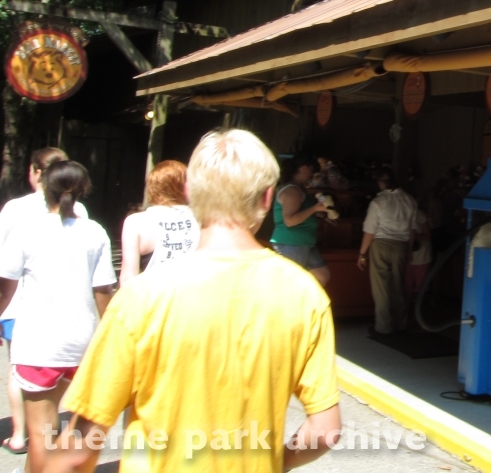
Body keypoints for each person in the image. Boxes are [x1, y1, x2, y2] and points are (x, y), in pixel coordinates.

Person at [48, 129, 342, 473]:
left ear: (189, 192)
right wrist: (277, 462)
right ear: (267, 198)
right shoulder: (304, 293)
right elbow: (324, 431)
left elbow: (78, 451)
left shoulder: (142, 296)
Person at [0, 161, 115, 473]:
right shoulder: (95, 232)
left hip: (38, 345)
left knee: (41, 436)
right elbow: (103, 291)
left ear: (45, 189)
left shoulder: (27, 231)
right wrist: (111, 337)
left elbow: (4, 290)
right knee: (67, 436)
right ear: (82, 191)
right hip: (81, 344)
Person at [0, 147, 87, 456]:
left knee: (18, 370)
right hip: (68, 309)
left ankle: (20, 435)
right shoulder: (82, 214)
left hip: (19, 303)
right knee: (58, 379)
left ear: (37, 173)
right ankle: (45, 432)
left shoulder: (15, 208)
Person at [357, 171, 427, 335]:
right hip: (401, 245)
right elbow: (412, 229)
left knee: (381, 287)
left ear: (381, 183)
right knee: (398, 285)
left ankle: (383, 326)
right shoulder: (409, 200)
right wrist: (409, 250)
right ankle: (400, 323)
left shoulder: (378, 202)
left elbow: (370, 231)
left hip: (381, 244)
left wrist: (362, 253)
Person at [119, 160, 198, 285]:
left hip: (152, 294)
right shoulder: (202, 219)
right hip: (194, 292)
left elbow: (127, 278)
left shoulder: (136, 222)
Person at [270, 153, 329, 287]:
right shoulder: (292, 191)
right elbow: (289, 221)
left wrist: (319, 214)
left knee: (322, 275)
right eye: (311, 168)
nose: (312, 172)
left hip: (303, 243)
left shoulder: (298, 189)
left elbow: (302, 213)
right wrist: (314, 209)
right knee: (290, 284)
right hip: (292, 243)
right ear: (303, 168)